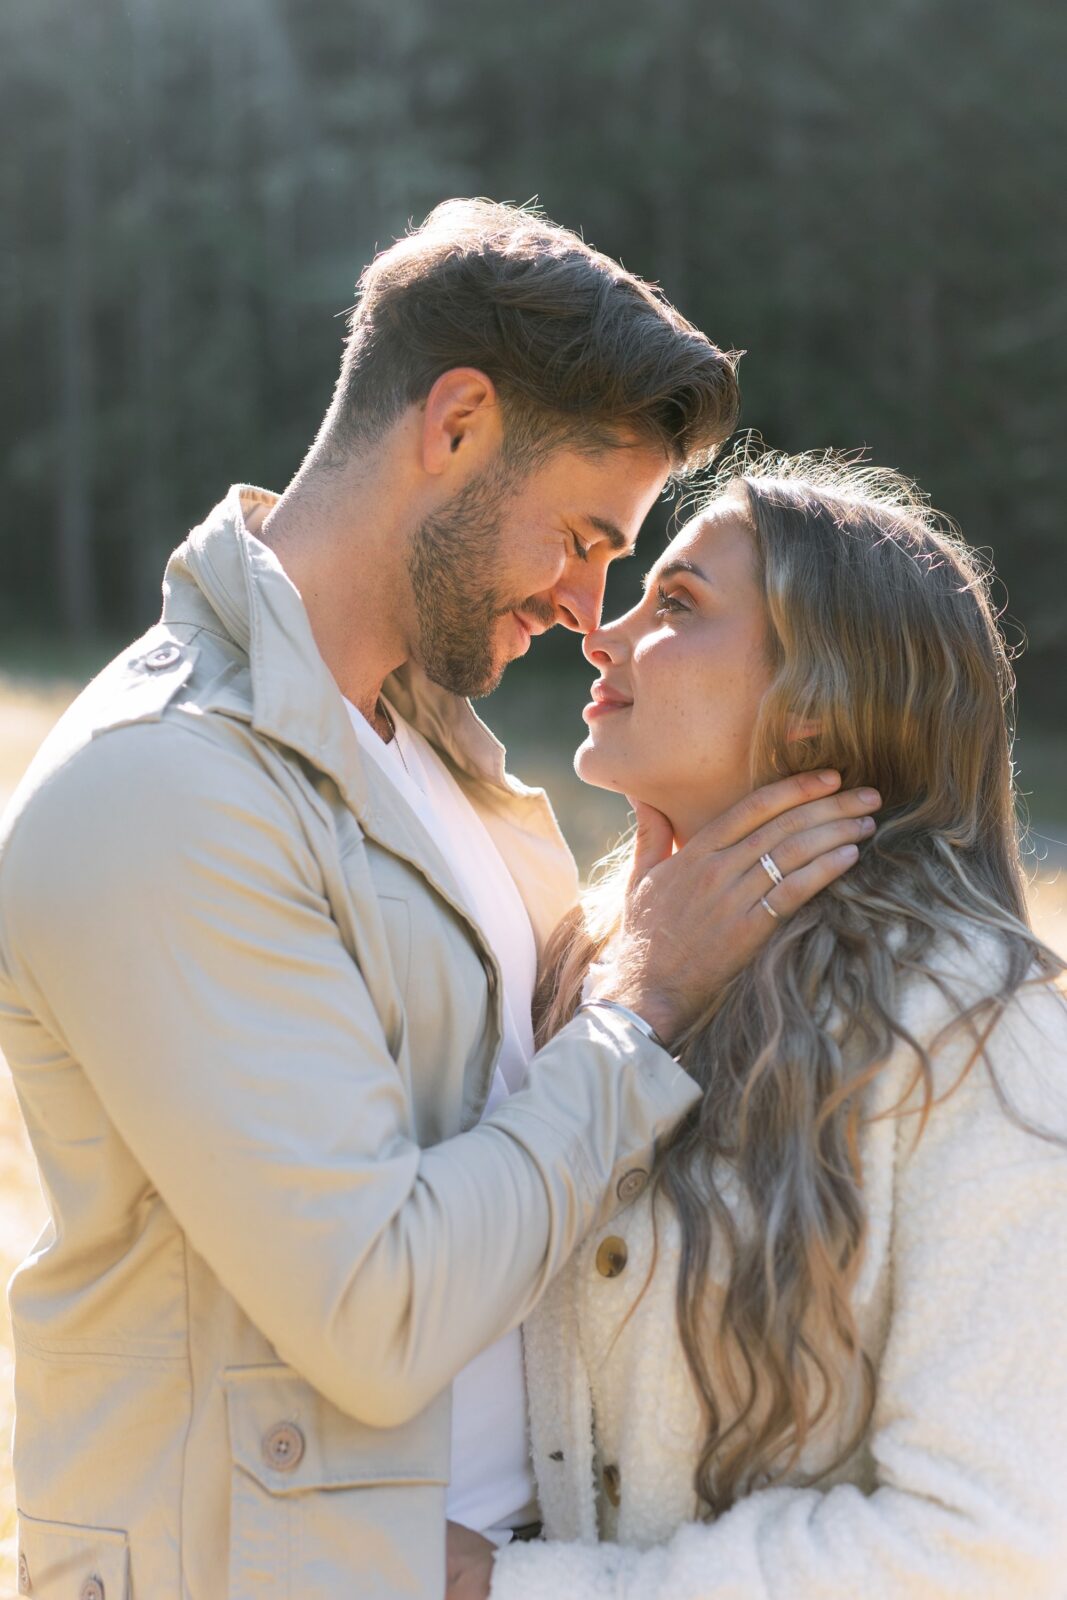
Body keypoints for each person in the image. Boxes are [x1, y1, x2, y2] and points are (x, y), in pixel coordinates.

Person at [0, 205, 879, 1600]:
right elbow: (375, 1311)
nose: (595, 609)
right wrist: (640, 999)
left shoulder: (425, 747)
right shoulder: (161, 792)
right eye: (583, 536)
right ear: (457, 423)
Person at [449, 449, 1067, 1600]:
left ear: (820, 702)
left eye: (675, 605)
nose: (603, 633)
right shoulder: (592, 975)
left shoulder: (982, 1041)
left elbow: (988, 1546)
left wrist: (511, 1590)